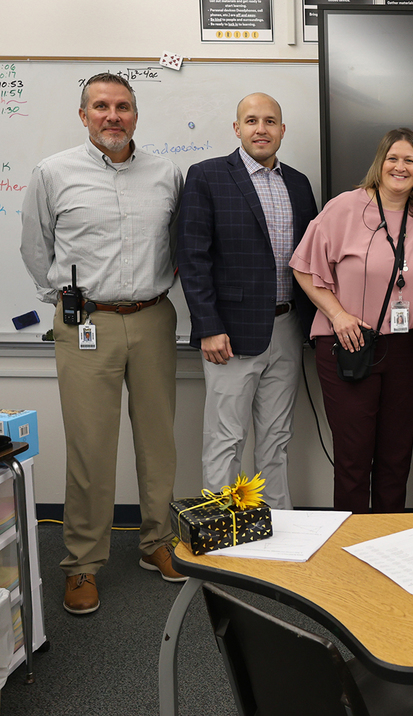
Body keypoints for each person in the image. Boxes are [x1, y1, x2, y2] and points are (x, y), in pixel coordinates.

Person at [20, 73, 185, 615]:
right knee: (90, 446)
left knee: (158, 441)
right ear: (84, 114)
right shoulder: (53, 173)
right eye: (101, 107)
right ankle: (82, 564)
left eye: (123, 106)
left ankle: (156, 541)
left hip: (154, 317)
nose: (112, 116)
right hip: (86, 323)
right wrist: (65, 300)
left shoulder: (167, 174)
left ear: (136, 113)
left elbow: (182, 242)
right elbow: (34, 246)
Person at [177, 93, 318, 509]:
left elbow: (309, 258)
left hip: (288, 328)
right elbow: (192, 256)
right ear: (236, 129)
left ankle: (280, 534)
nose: (262, 129)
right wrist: (208, 325)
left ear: (282, 130)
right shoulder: (207, 176)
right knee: (226, 439)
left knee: (276, 438)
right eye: (252, 120)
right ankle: (222, 545)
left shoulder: (298, 182)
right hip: (229, 334)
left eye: (270, 121)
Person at [290, 128, 413, 513]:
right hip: (350, 345)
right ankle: (349, 555)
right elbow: (303, 268)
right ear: (380, 163)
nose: (400, 167)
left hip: (408, 349)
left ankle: (389, 542)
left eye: (410, 160)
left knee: (396, 458)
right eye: (393, 158)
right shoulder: (344, 207)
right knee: (354, 459)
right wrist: (337, 315)